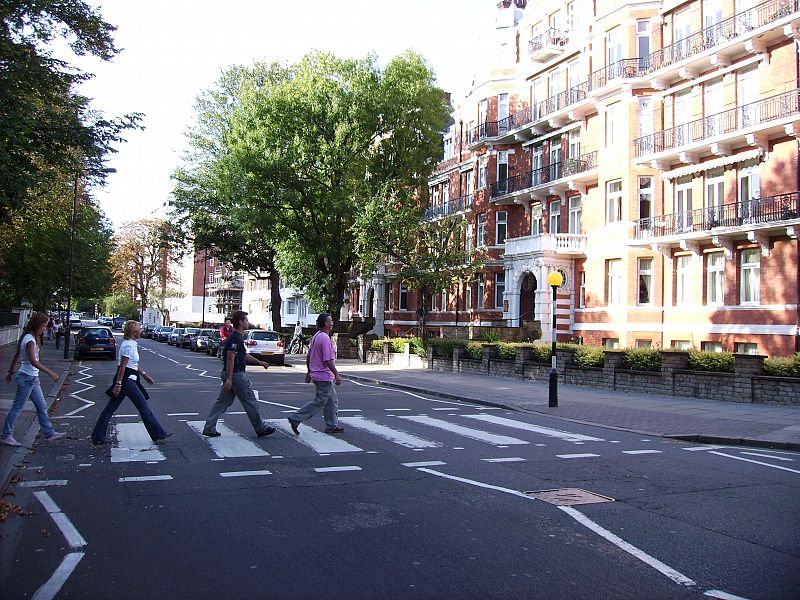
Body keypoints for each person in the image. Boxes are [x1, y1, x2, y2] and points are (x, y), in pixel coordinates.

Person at [91, 320, 171, 445]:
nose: (142, 331)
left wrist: (145, 375)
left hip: (128, 378)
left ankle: (97, 436)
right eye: (140, 329)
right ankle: (158, 434)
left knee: (110, 408)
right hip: (126, 380)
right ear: (134, 332)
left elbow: (133, 364)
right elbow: (123, 366)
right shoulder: (128, 345)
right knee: (142, 406)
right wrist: (118, 384)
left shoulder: (131, 343)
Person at [202, 310, 276, 438]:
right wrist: (230, 379)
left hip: (230, 374)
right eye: (246, 320)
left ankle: (209, 427)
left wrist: (259, 362)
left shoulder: (236, 337)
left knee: (222, 402)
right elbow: (231, 357)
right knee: (250, 401)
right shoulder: (236, 337)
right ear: (241, 322)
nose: (248, 322)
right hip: (236, 375)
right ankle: (260, 428)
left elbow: (243, 355)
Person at [1, 312, 65, 446]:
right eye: (44, 325)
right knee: (17, 408)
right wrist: (50, 372)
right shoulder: (30, 340)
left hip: (31, 378)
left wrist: (10, 372)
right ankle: (6, 435)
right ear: (38, 325)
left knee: (41, 407)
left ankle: (49, 433)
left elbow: (16, 356)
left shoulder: (27, 337)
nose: (45, 328)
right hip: (27, 378)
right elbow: (33, 361)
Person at [287, 313, 343, 435]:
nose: (332, 323)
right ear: (327, 324)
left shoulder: (316, 336)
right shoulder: (324, 338)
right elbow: (327, 359)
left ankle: (332, 425)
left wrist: (309, 371)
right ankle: (296, 418)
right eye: (331, 321)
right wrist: (337, 374)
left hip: (318, 374)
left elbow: (309, 356)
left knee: (331, 400)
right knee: (319, 402)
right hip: (323, 375)